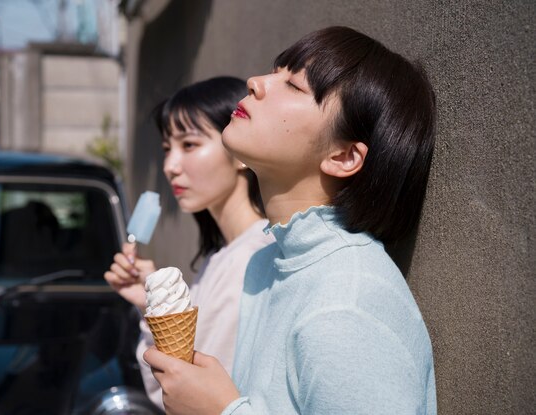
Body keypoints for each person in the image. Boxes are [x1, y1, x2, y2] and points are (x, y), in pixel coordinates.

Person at [142, 26, 438, 414]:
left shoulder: (350, 303)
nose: (256, 82)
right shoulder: (265, 265)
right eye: (275, 70)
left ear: (344, 156)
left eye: (295, 86)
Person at [104, 76, 273, 410]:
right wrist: (151, 303)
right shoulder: (222, 257)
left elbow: (186, 394)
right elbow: (173, 392)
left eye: (190, 145)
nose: (169, 166)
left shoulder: (256, 258)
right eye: (168, 148)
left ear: (240, 149)